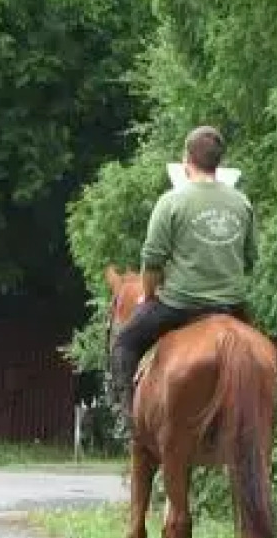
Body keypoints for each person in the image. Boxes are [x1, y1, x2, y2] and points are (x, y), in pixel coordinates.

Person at [108, 125, 258, 426]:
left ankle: (128, 418)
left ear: (186, 158)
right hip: (232, 306)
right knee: (266, 349)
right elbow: (251, 259)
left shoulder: (172, 202)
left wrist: (149, 296)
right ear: (219, 162)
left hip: (180, 305)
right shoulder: (242, 203)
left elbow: (151, 262)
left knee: (124, 343)